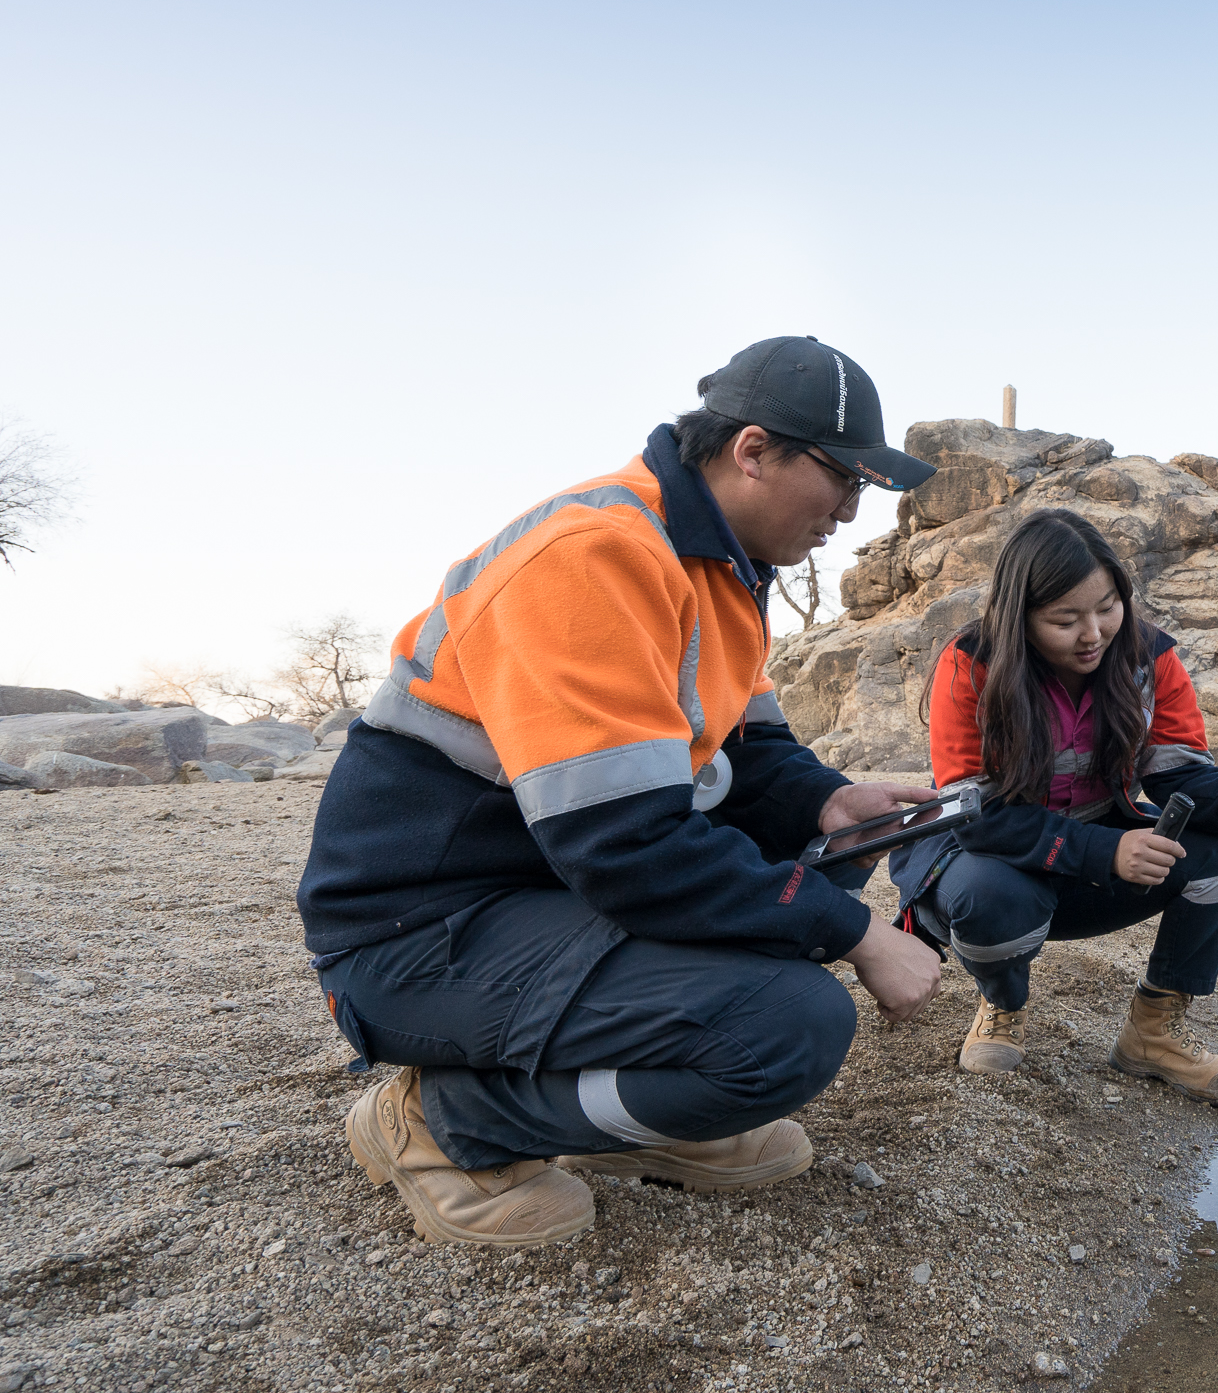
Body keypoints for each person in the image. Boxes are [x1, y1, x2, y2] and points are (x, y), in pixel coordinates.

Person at [297, 336, 945, 1249]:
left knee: (820, 862)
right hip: (419, 937)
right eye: (843, 477)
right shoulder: (592, 556)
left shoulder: (722, 567)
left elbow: (752, 759)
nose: (850, 509)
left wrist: (827, 805)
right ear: (753, 450)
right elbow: (625, 844)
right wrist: (860, 937)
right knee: (787, 1025)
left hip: (539, 891)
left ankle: (650, 1118)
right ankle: (447, 1123)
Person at [889, 508, 1218, 1104]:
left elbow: (1177, 773)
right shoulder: (971, 664)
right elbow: (975, 815)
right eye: (1065, 619)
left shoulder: (1150, 656)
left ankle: (1152, 1034)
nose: (1094, 634)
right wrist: (1108, 851)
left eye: (1108, 607)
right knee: (987, 896)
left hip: (1088, 857)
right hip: (993, 857)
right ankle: (1003, 1005)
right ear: (1020, 618)